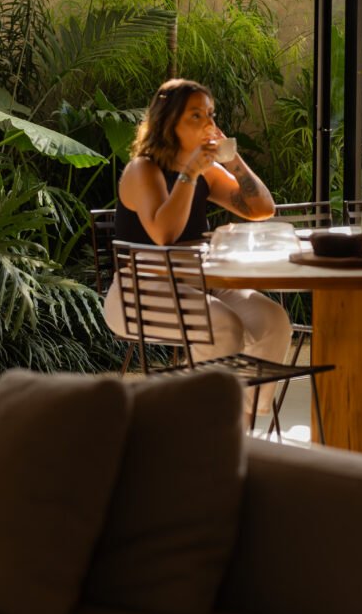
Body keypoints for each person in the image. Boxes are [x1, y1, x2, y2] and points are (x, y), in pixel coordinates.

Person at [103, 78, 291, 417]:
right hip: (140, 291)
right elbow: (165, 234)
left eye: (210, 114)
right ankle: (204, 424)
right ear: (169, 123)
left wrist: (232, 159)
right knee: (222, 325)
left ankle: (241, 419)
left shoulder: (207, 172)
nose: (208, 124)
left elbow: (262, 209)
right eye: (196, 115)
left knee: (272, 319)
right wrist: (190, 172)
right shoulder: (144, 169)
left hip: (199, 280)